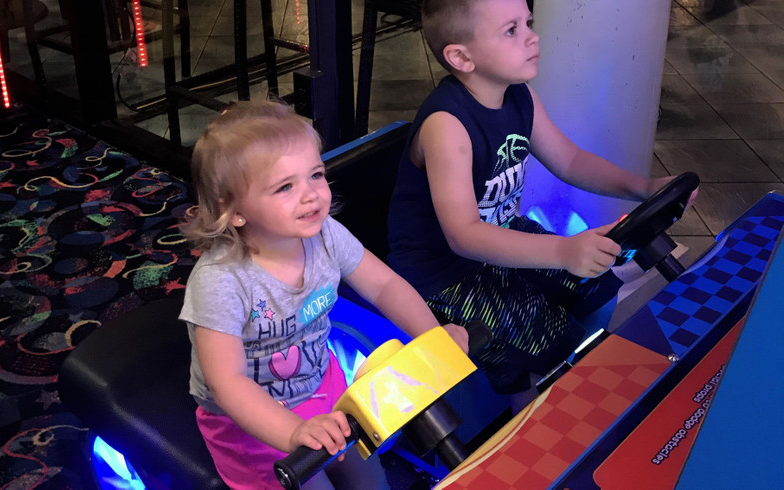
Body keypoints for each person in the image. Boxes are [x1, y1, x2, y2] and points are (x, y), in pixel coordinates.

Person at [387, 0, 694, 411]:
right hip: (441, 273)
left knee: (597, 286)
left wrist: (645, 186)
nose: (533, 36)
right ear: (461, 56)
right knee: (536, 328)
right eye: (511, 30)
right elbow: (463, 234)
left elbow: (569, 161)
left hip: (500, 239)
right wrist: (564, 251)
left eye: (528, 22)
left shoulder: (519, 97)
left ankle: (579, 372)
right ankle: (524, 415)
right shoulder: (447, 126)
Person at [179, 100, 469, 490]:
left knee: (370, 481)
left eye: (315, 174)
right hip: (253, 422)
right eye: (285, 186)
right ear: (233, 211)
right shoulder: (221, 282)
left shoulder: (326, 234)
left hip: (324, 384)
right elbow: (228, 383)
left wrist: (433, 336)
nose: (312, 194)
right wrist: (293, 432)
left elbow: (385, 286)